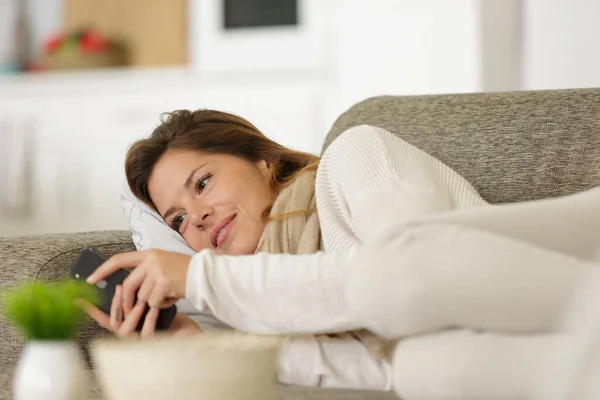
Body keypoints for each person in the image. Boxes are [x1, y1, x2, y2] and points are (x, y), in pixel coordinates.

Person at [81, 109, 600, 399]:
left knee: (393, 282)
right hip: (530, 358)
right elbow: (382, 372)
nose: (195, 217)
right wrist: (197, 344)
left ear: (263, 161)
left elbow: (420, 280)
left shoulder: (353, 156)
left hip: (518, 292)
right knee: (422, 370)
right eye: (175, 221)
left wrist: (203, 280)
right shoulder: (261, 312)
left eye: (203, 182)